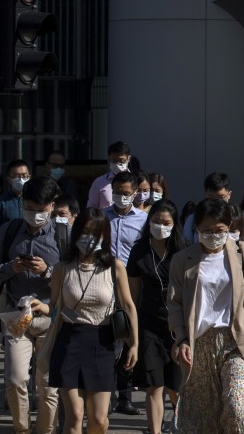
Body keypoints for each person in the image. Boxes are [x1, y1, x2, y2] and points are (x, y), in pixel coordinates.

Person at [166, 198, 244, 434]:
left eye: (220, 230)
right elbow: (174, 304)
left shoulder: (243, 253)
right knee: (202, 418)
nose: (213, 235)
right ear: (196, 229)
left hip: (235, 341)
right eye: (206, 230)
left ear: (229, 227)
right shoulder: (182, 260)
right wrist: (181, 339)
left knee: (236, 407)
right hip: (198, 345)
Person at [33, 207, 140, 434]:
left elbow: (129, 306)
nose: (89, 237)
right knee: (74, 417)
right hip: (69, 341)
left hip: (103, 342)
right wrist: (38, 307)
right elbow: (54, 308)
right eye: (85, 231)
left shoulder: (115, 267)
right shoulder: (62, 268)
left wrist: (134, 345)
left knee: (99, 420)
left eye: (96, 232)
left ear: (104, 236)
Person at [0, 175, 62, 434]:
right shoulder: (9, 231)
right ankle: (22, 430)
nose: (34, 215)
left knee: (48, 383)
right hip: (17, 316)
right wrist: (11, 267)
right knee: (16, 379)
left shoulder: (63, 234)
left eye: (40, 210)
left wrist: (47, 271)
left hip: (50, 315)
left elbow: (73, 277)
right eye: (29, 208)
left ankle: (46, 430)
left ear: (52, 205)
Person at [126, 199, 184, 434]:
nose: (160, 225)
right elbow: (132, 295)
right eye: (156, 221)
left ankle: (182, 424)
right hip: (149, 324)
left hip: (177, 324)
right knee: (153, 385)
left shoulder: (183, 250)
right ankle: (155, 431)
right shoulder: (139, 250)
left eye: (166, 222)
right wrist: (131, 333)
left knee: (177, 385)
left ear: (174, 224)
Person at [103, 170, 148, 414]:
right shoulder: (101, 218)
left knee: (130, 335)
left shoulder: (142, 220)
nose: (122, 197)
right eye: (118, 193)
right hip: (105, 284)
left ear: (135, 193)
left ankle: (125, 395)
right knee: (111, 336)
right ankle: (108, 394)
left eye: (126, 193)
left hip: (132, 285)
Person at [181, 172, 234, 244]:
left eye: (220, 197)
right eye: (211, 197)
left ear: (229, 194)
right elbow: (187, 243)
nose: (215, 201)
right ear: (205, 195)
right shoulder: (193, 218)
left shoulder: (236, 217)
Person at [87, 141, 132, 209]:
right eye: (114, 160)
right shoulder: (99, 182)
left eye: (121, 160)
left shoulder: (136, 180)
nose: (117, 163)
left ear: (128, 158)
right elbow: (91, 209)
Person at [0, 159, 31, 233]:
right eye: (17, 176)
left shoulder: (36, 199)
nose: (21, 180)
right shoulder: (0, 202)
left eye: (24, 176)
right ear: (9, 179)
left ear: (29, 177)